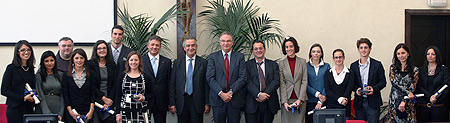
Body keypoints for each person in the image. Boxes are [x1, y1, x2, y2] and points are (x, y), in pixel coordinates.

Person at [207, 31, 246, 123]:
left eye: (228, 41)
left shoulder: (240, 57)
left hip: (235, 99)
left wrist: (230, 92)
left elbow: (242, 77)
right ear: (220, 43)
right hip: (218, 99)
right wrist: (221, 93)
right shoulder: (213, 57)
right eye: (223, 41)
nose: (226, 43)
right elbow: (210, 78)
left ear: (232, 42)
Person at [169, 37, 210, 123]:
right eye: (188, 46)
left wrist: (207, 103)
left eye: (193, 45)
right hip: (181, 101)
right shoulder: (177, 63)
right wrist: (172, 103)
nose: (190, 48)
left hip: (198, 102)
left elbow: (206, 85)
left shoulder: (203, 63)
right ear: (184, 48)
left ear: (196, 47)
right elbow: (172, 84)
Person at [350, 38, 386, 123]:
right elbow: (351, 83)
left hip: (373, 102)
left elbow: (383, 82)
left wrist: (374, 88)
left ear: (370, 49)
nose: (363, 50)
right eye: (361, 48)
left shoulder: (377, 65)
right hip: (359, 102)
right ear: (358, 49)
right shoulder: (353, 66)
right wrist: (356, 89)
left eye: (365, 47)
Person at [244, 40, 280, 123]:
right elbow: (247, 82)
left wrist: (264, 94)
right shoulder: (247, 65)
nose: (258, 50)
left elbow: (276, 81)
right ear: (253, 51)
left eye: (260, 48)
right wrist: (258, 94)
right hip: (252, 103)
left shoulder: (273, 64)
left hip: (269, 103)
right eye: (256, 49)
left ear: (264, 49)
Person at [1, 40, 36, 123]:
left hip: (28, 108)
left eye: (28, 50)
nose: (26, 52)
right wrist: (23, 98)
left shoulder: (30, 68)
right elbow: (4, 90)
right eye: (23, 50)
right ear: (17, 52)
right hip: (15, 108)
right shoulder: (11, 68)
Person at [114, 51, 154, 123]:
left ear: (139, 62)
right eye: (131, 60)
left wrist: (144, 98)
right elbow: (117, 96)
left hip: (141, 113)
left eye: (136, 60)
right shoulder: (122, 77)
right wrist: (117, 113)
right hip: (125, 113)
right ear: (128, 62)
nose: (133, 62)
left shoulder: (145, 77)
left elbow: (152, 94)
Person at [142, 35, 172, 123]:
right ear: (148, 45)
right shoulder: (140, 61)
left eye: (157, 45)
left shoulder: (167, 62)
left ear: (160, 47)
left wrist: (171, 102)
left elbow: (169, 83)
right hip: (145, 101)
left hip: (161, 102)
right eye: (152, 44)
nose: (154, 47)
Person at [416, 46, 450, 122]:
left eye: (433, 54)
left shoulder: (443, 70)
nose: (430, 56)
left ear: (437, 55)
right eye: (428, 54)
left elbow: (447, 86)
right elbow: (419, 86)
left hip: (438, 105)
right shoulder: (420, 70)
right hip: (423, 106)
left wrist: (436, 97)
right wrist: (429, 96)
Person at [386, 43, 418, 123]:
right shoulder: (393, 68)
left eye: (403, 53)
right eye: (398, 53)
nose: (401, 55)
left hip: (408, 102)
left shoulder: (415, 70)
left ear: (408, 54)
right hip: (394, 101)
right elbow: (395, 83)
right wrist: (408, 92)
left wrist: (404, 100)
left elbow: (412, 86)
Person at [62, 48, 96, 123]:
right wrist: (71, 112)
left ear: (85, 60)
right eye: (76, 58)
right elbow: (66, 94)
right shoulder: (66, 75)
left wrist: (91, 111)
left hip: (87, 112)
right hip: (72, 112)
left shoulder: (91, 74)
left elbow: (92, 93)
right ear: (73, 59)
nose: (79, 60)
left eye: (81, 58)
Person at [278, 37, 308, 123]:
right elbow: (282, 83)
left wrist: (300, 99)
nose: (289, 49)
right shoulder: (281, 64)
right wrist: (285, 102)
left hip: (300, 100)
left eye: (291, 46)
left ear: (295, 47)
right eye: (286, 47)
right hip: (287, 100)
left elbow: (304, 81)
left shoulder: (302, 62)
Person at [88, 40, 117, 123]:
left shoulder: (112, 64)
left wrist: (109, 100)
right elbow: (91, 85)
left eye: (104, 48)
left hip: (110, 101)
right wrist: (103, 99)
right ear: (95, 50)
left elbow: (114, 84)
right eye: (99, 48)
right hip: (96, 101)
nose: (102, 50)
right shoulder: (90, 64)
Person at [35, 51, 64, 121]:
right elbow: (40, 95)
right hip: (43, 109)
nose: (49, 63)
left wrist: (61, 113)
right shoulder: (39, 76)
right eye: (46, 61)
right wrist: (47, 113)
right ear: (43, 62)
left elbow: (63, 95)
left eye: (52, 60)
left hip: (58, 107)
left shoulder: (60, 75)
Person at [324, 49, 354, 118]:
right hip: (331, 107)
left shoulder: (350, 73)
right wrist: (339, 99)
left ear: (344, 58)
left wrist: (344, 100)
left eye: (340, 57)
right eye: (336, 57)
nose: (338, 59)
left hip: (345, 107)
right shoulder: (328, 73)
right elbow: (327, 90)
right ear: (333, 58)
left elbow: (349, 89)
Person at [306, 43, 330, 123]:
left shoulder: (327, 66)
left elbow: (327, 83)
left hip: (323, 101)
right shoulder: (305, 66)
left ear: (321, 53)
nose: (316, 53)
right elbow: (305, 83)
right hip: (310, 101)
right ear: (310, 53)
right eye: (314, 51)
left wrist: (321, 100)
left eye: (318, 51)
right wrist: (317, 94)